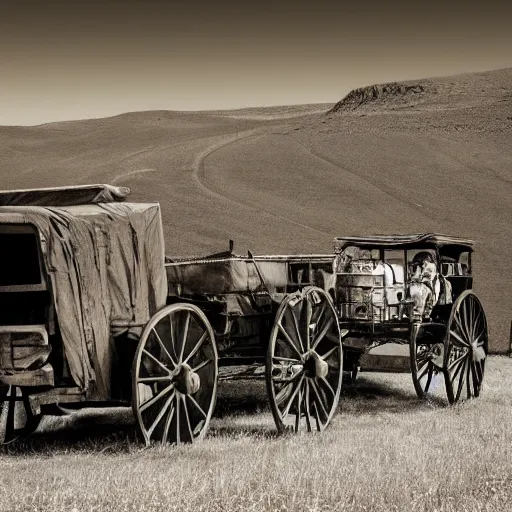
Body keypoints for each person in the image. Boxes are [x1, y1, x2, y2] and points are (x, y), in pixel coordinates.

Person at [408, 251, 440, 320]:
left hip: (427, 287)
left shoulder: (430, 266)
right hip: (425, 286)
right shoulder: (425, 266)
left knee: (419, 292)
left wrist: (418, 279)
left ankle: (419, 315)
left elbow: (427, 278)